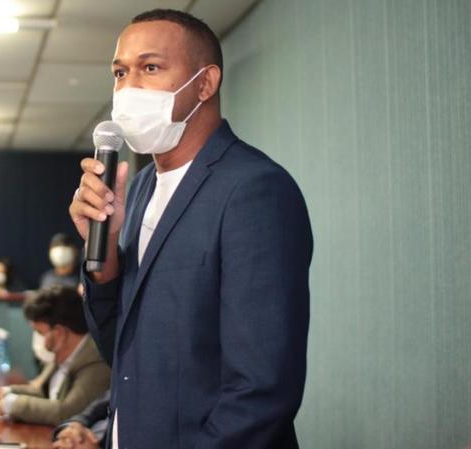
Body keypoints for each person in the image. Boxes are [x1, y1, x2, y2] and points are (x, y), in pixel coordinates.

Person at [68, 9, 313, 449]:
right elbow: (122, 352)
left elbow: (261, 389)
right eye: (120, 73)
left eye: (150, 67)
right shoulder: (137, 189)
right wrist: (104, 258)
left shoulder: (254, 190)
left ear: (205, 83)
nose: (128, 88)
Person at [0, 286, 111, 426]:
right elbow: (40, 390)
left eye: (40, 333)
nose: (37, 339)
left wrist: (9, 405)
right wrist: (5, 392)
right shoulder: (60, 352)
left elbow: (67, 412)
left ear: (59, 333)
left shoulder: (95, 359)